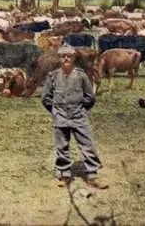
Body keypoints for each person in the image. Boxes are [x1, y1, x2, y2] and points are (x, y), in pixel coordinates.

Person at [41, 45, 107, 189]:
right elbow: (46, 98)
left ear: (74, 58)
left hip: (78, 116)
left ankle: (92, 176)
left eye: (69, 56)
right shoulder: (53, 76)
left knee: (87, 145)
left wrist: (80, 110)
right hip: (60, 117)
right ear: (59, 58)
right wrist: (56, 111)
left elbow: (90, 97)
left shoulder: (81, 75)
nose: (66, 58)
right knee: (62, 146)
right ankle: (65, 175)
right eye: (63, 56)